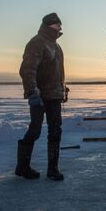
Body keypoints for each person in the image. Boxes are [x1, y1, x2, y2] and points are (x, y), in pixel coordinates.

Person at [16, 12, 68, 181]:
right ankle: (22, 167)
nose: (60, 27)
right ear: (49, 25)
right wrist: (32, 91)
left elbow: (56, 72)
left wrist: (62, 89)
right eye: (57, 25)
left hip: (54, 95)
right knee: (35, 130)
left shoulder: (56, 46)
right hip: (40, 95)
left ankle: (53, 169)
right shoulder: (37, 42)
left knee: (55, 131)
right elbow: (28, 69)